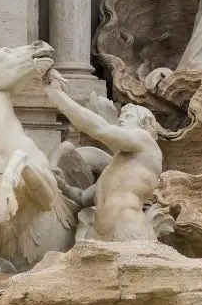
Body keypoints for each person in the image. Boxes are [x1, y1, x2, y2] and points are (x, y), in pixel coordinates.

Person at [44, 70, 164, 242]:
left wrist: (57, 96)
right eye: (121, 116)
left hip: (128, 227)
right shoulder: (113, 167)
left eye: (128, 116)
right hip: (97, 234)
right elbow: (83, 198)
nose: (121, 120)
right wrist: (63, 185)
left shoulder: (145, 142)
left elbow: (101, 130)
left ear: (145, 124)